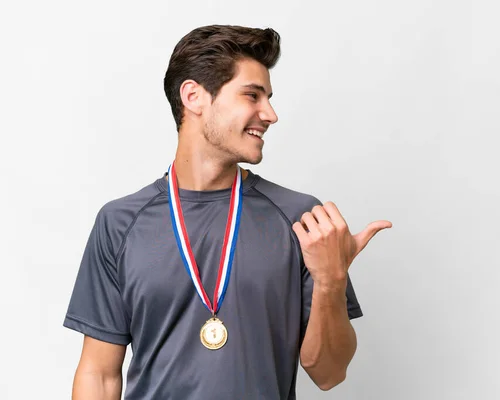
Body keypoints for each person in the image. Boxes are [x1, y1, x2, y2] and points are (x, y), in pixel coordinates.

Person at [63, 24, 392, 399]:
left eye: (267, 97)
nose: (270, 113)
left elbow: (329, 373)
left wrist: (331, 280)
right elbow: (99, 374)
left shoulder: (303, 221)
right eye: (252, 95)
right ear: (194, 97)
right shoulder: (119, 223)